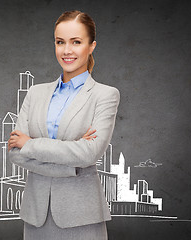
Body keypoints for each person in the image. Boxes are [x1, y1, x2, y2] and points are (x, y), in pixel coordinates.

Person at [8, 10, 120, 240]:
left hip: (82, 216)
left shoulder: (105, 95)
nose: (67, 50)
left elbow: (89, 153)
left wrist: (30, 144)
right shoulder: (35, 93)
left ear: (91, 46)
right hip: (36, 217)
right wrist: (71, 166)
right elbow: (15, 154)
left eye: (76, 42)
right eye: (60, 42)